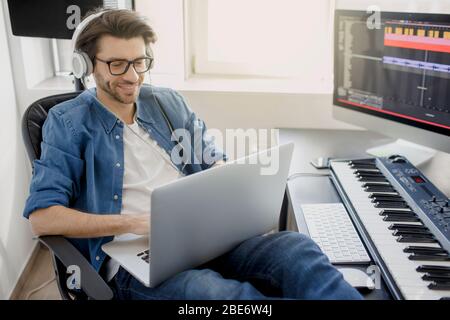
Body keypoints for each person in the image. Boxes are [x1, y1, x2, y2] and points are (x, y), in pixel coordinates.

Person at [23, 9, 362, 300]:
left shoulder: (167, 101)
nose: (132, 76)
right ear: (86, 65)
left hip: (202, 236)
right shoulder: (67, 123)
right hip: (133, 259)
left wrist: (229, 177)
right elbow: (42, 218)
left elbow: (212, 156)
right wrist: (138, 224)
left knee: (297, 251)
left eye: (140, 62)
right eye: (116, 65)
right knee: (211, 293)